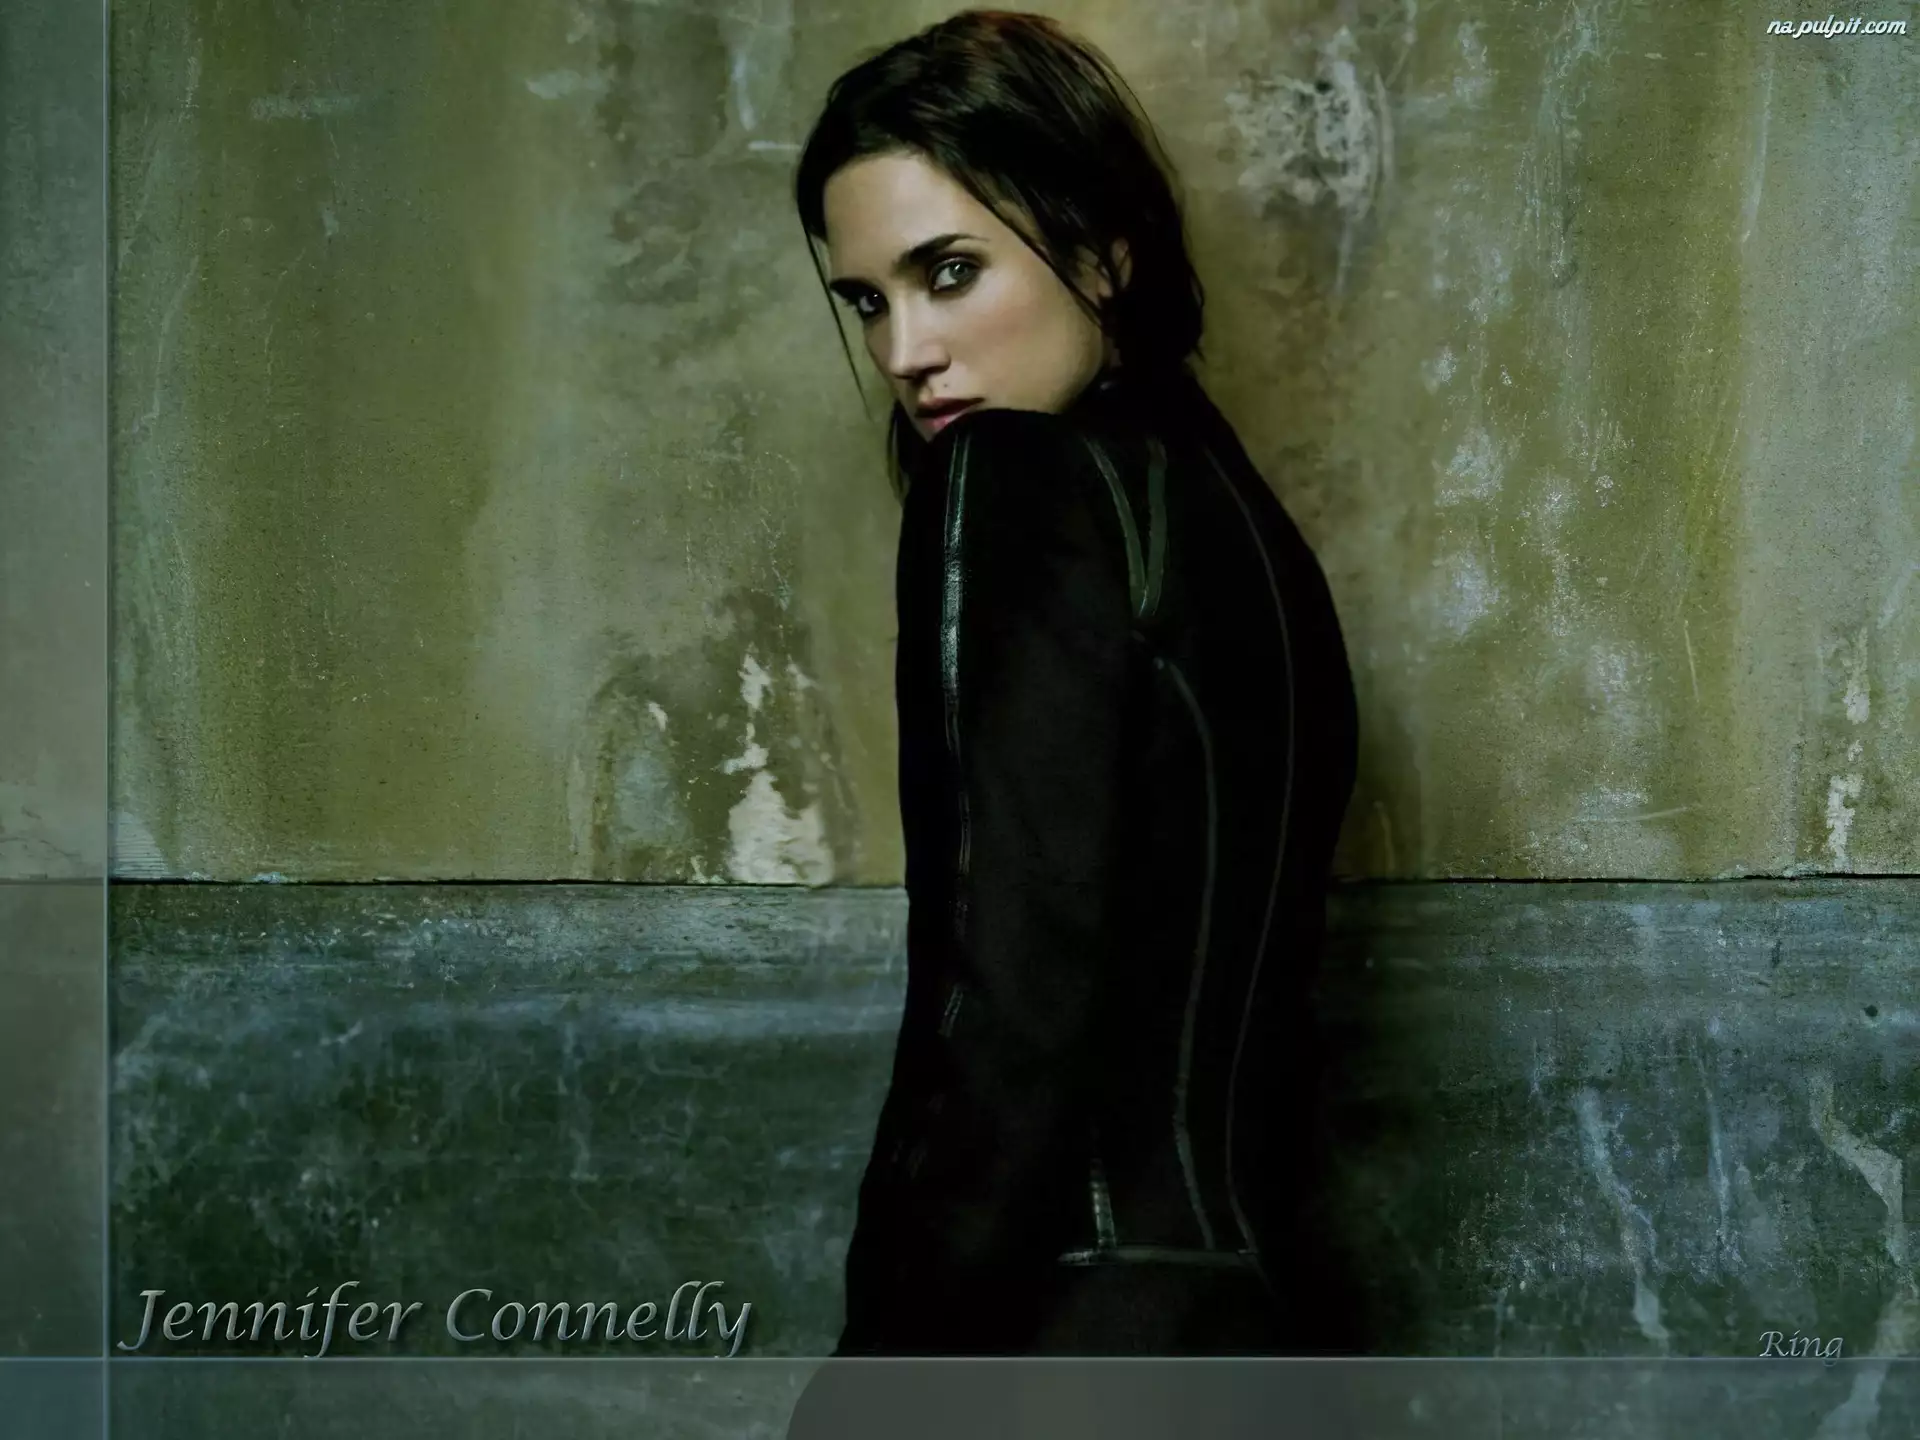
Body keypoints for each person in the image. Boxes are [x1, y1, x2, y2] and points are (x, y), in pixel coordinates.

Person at [791, 9, 1359, 1358]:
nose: (903, 352)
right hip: (1254, 1329)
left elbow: (1006, 1009)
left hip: (1066, 1340)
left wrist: (885, 1374)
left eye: (949, 273)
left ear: (1102, 253)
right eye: (866, 301)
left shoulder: (1012, 485)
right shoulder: (1248, 535)